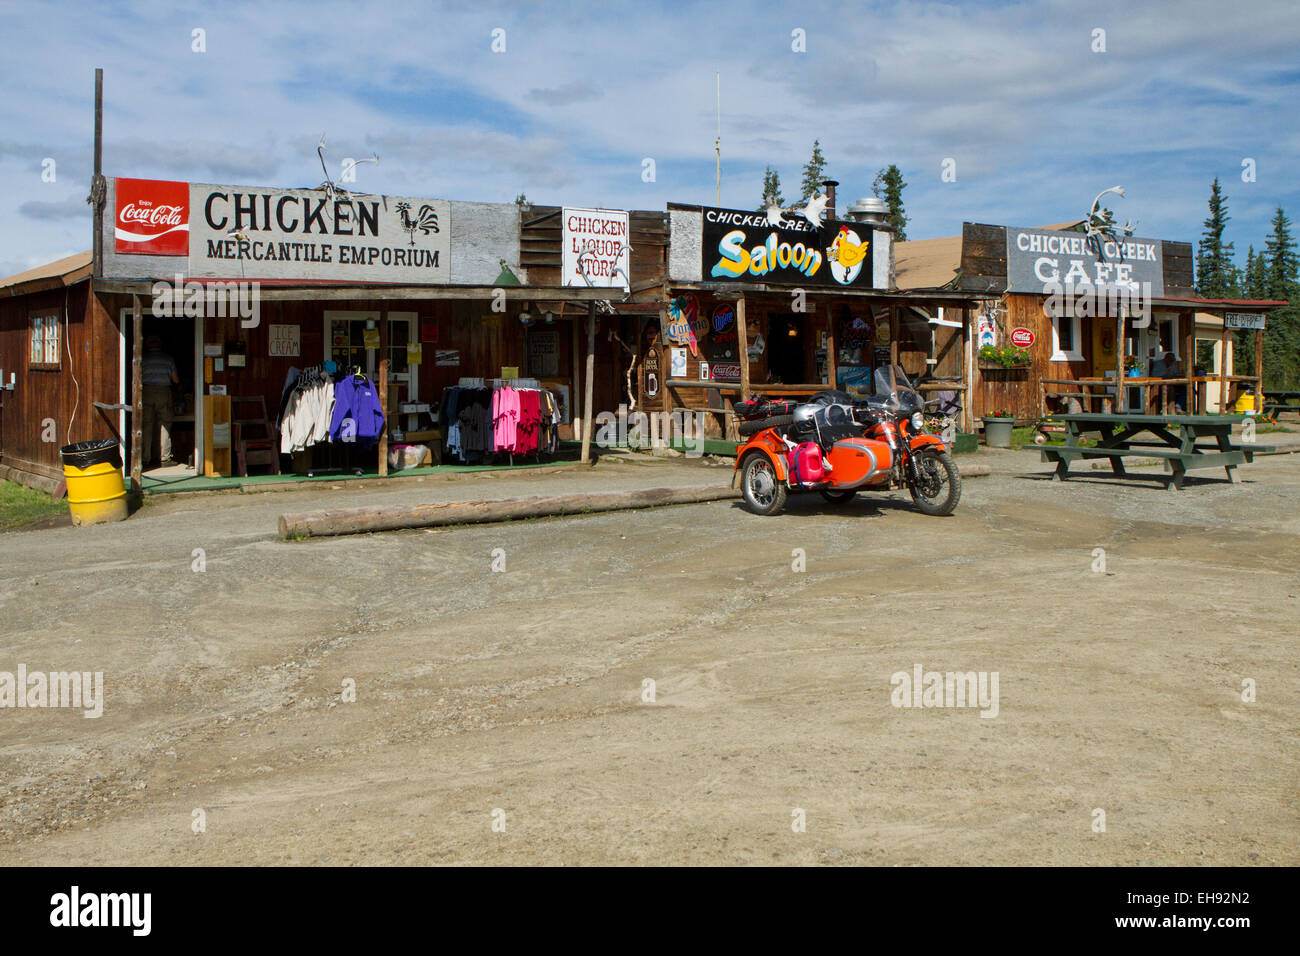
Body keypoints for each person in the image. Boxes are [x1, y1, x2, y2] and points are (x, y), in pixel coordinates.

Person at [141, 334, 180, 467]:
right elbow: (175, 380)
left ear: (147, 344)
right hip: (163, 392)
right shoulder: (167, 359)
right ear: (160, 344)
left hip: (146, 391)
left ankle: (145, 458)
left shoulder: (142, 359)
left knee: (146, 425)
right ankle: (165, 458)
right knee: (165, 424)